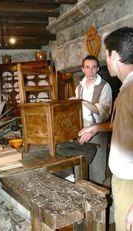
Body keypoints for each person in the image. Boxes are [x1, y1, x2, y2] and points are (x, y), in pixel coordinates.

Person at [78, 27, 133, 231]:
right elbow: (122, 123)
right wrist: (95, 128)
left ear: (115, 55)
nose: (105, 60)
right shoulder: (126, 86)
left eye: (106, 54)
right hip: (122, 178)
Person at [70, 55, 113, 184]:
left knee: (97, 171)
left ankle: (98, 197)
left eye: (94, 67)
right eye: (87, 67)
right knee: (80, 167)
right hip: (81, 129)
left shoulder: (105, 86)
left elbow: (104, 113)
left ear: (98, 69)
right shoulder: (79, 87)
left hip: (98, 128)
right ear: (83, 69)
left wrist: (83, 102)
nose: (91, 71)